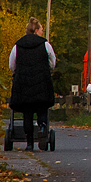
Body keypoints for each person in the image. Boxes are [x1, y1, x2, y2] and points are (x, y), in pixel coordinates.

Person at [9, 19, 56, 152]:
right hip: (41, 82)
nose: (42, 31)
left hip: (23, 84)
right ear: (36, 30)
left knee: (27, 113)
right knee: (42, 108)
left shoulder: (18, 46)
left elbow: (12, 65)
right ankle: (42, 128)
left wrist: (18, 73)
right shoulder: (45, 45)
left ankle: (29, 142)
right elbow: (52, 62)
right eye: (41, 29)